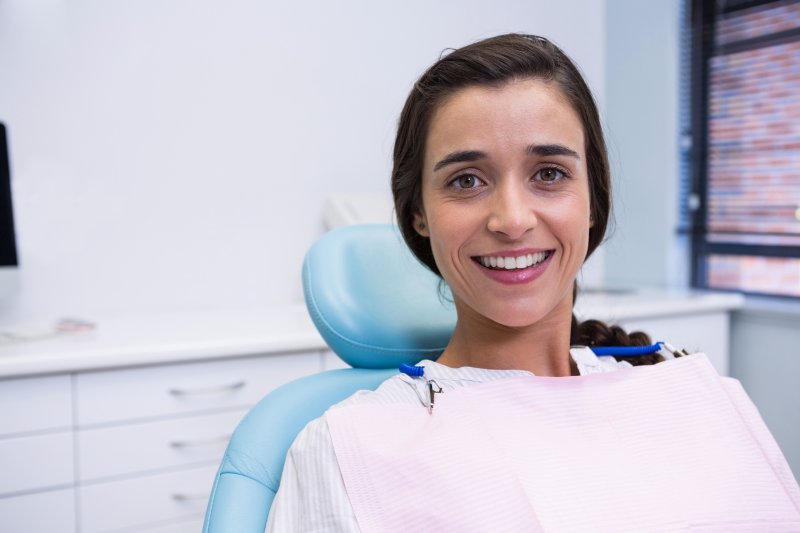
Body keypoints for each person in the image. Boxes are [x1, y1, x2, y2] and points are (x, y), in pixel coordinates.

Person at [266, 34, 798, 531]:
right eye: (466, 180)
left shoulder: (683, 391)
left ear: (593, 200)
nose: (512, 219)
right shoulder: (349, 448)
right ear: (419, 214)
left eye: (548, 173)